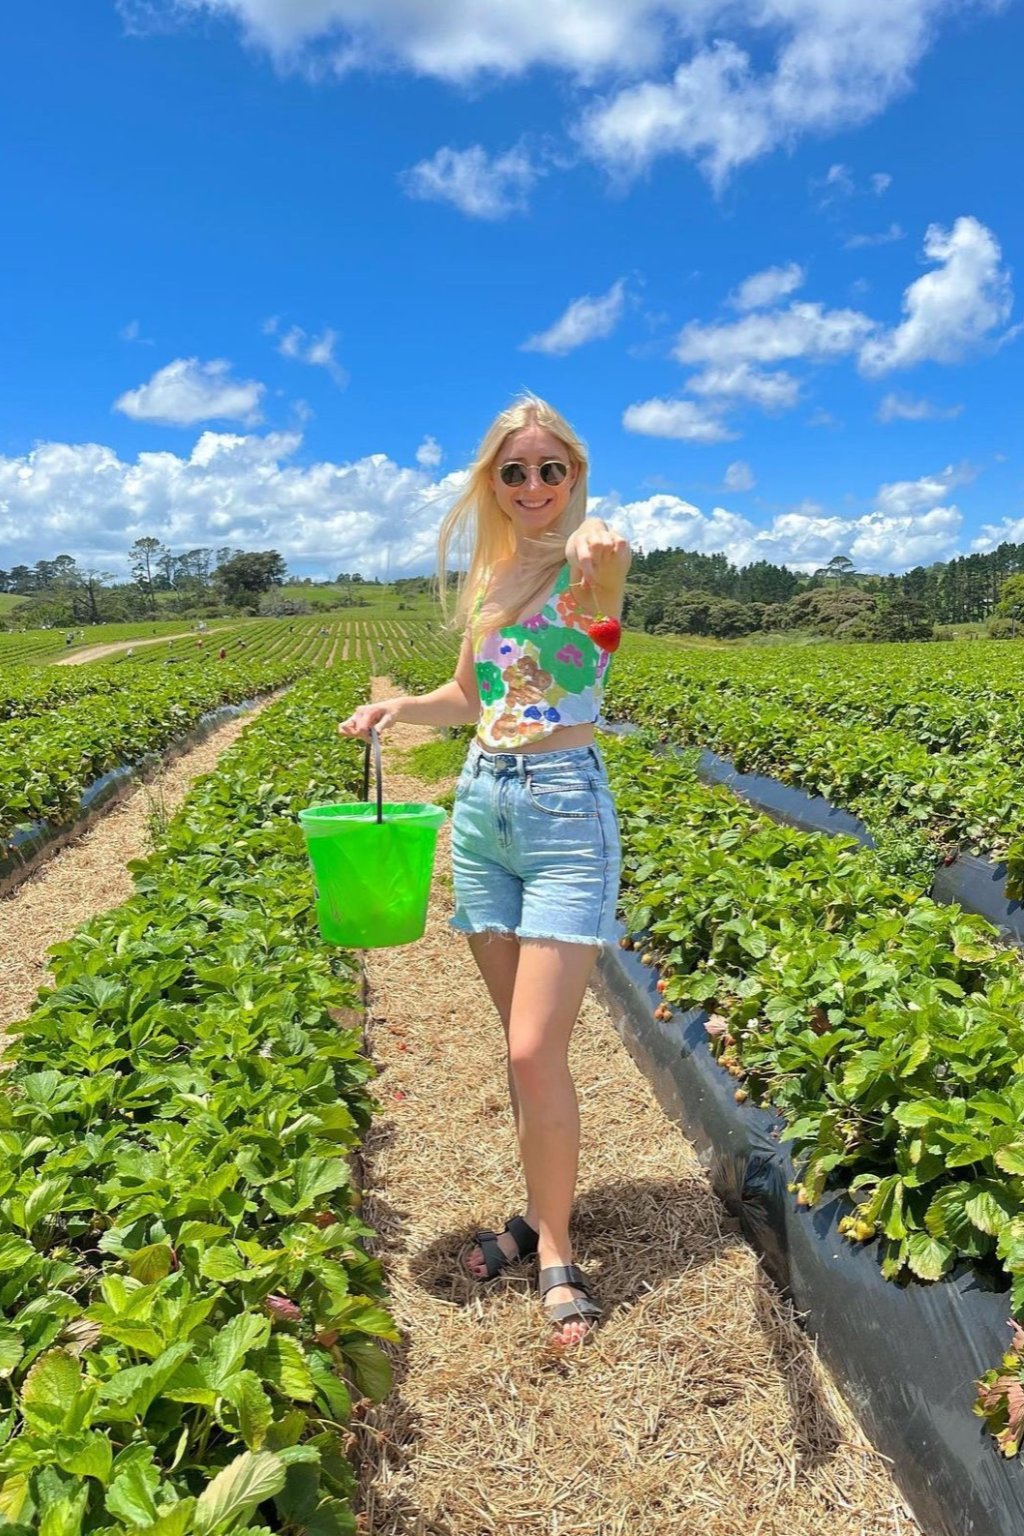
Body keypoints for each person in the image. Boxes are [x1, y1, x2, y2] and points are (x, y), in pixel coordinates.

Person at [338, 394, 630, 1347]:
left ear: (575, 476)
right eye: (516, 472)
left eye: (553, 469)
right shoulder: (491, 576)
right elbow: (471, 697)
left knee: (532, 1049)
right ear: (492, 484)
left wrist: (600, 546)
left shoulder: (591, 560)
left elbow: (603, 585)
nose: (535, 485)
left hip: (562, 815)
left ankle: (554, 1251)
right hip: (484, 812)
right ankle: (538, 1212)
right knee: (519, 1044)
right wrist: (396, 712)